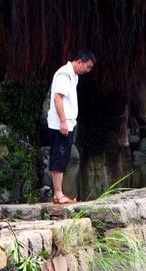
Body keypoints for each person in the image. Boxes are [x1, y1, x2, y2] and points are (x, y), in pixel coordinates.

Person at [47, 49, 96, 204]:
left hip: (67, 123)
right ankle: (58, 194)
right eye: (87, 66)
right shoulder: (65, 74)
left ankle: (58, 193)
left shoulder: (73, 76)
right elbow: (57, 98)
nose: (88, 70)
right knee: (59, 157)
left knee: (63, 157)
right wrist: (63, 121)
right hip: (60, 125)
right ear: (80, 61)